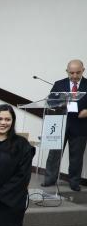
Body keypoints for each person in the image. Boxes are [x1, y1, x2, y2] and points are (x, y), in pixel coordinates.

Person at [43, 59, 87, 191]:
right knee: (54, 155)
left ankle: (74, 182)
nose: (74, 76)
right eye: (71, 73)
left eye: (78, 73)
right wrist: (60, 104)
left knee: (76, 156)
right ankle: (49, 179)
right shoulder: (59, 84)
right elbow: (50, 103)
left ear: (83, 70)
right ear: (67, 71)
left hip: (80, 125)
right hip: (59, 124)